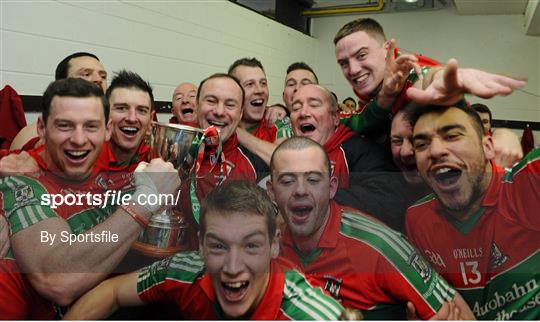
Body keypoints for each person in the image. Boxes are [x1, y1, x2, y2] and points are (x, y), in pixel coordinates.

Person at [0, 78, 179, 318]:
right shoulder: (22, 179)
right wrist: (146, 200)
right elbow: (57, 281)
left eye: (91, 126)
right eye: (64, 125)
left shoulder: (116, 170)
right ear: (42, 128)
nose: (79, 139)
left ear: (107, 130)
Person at [64, 180, 345, 320]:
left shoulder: (310, 314)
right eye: (218, 246)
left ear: (274, 246)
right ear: (199, 246)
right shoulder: (184, 270)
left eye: (251, 246)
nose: (233, 266)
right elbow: (112, 292)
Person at [267, 136, 474, 320]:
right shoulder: (266, 248)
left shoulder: (378, 245)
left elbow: (458, 314)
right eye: (287, 181)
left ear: (331, 187)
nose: (300, 190)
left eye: (313, 179)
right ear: (271, 191)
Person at [405, 104, 539, 320]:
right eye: (422, 144)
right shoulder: (417, 219)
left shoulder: (526, 186)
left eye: (452, 136)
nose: (435, 150)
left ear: (488, 147)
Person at [334, 18, 526, 136]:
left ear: (386, 49)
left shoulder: (408, 71)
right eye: (343, 63)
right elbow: (361, 122)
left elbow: (425, 77)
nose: (353, 69)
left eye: (362, 55)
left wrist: (441, 78)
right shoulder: (369, 89)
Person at [290, 84, 406, 231]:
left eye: (314, 105)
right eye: (295, 108)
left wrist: (316, 200)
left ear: (335, 117)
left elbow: (388, 198)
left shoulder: (360, 149)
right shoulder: (285, 157)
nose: (303, 113)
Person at [10, 52, 108, 150]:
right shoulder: (32, 135)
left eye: (103, 76)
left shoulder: (116, 130)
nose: (98, 79)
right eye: (86, 74)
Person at [228, 58, 290, 144]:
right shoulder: (219, 122)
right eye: (250, 84)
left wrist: (235, 131)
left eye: (263, 83)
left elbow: (284, 156)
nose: (260, 90)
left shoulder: (278, 120)